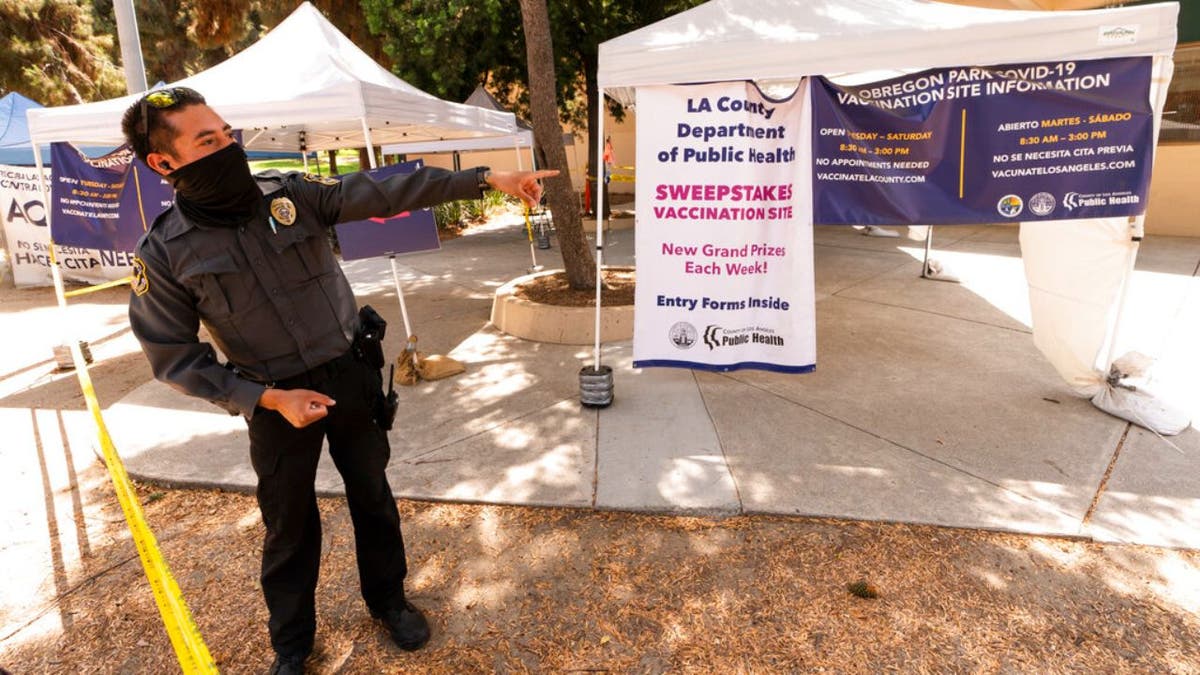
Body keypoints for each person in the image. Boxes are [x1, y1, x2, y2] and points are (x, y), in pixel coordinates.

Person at [120, 87, 556, 674]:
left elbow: (383, 188)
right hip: (273, 400)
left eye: (226, 133)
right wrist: (267, 398)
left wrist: (484, 178)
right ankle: (293, 645)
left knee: (372, 496)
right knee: (289, 527)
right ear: (163, 163)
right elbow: (173, 356)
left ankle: (389, 601)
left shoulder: (291, 196)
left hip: (349, 376)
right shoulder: (165, 254)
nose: (228, 147)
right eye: (207, 141)